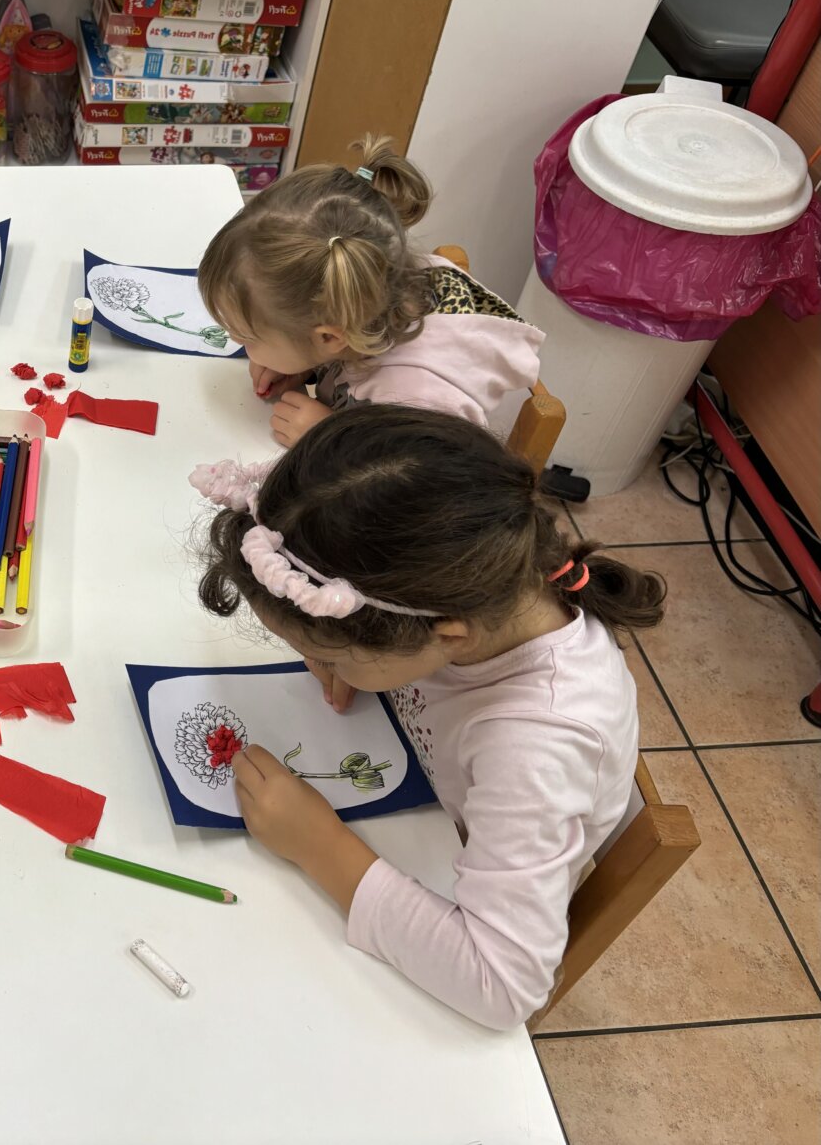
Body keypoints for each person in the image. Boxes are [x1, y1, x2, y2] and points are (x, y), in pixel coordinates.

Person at [191, 406, 666, 1028]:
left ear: (447, 635)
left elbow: (505, 987)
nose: (319, 663)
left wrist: (320, 847)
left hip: (459, 873)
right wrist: (351, 659)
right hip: (423, 806)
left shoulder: (536, 750)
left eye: (331, 653)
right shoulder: (474, 590)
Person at [196, 135, 544, 449]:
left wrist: (330, 437)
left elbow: (420, 487)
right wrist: (306, 361)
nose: (233, 339)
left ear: (330, 337)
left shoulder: (419, 400)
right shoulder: (365, 282)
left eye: (247, 335)